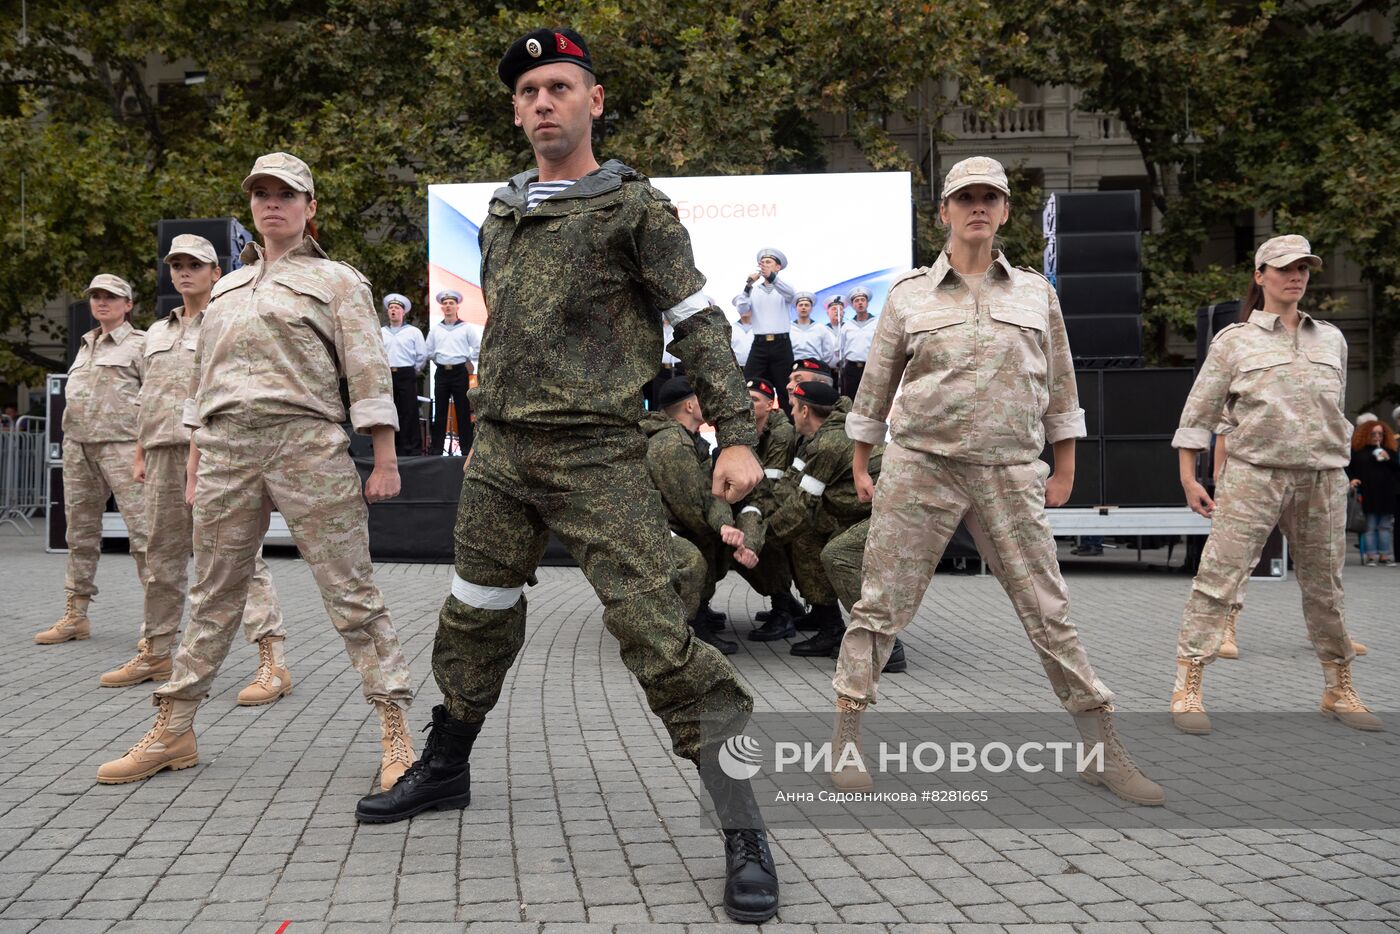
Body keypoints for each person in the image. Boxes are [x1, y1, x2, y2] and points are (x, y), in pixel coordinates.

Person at [353, 30, 778, 923]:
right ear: (515, 111)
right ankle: (448, 766)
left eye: (559, 86)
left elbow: (697, 324)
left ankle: (742, 822)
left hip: (597, 454)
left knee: (657, 635)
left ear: (593, 100)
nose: (542, 102)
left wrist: (736, 434)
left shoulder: (637, 209)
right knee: (476, 613)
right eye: (528, 91)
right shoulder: (504, 212)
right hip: (503, 454)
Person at [832, 156, 1163, 805]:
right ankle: (846, 737)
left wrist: (1065, 462)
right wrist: (859, 460)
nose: (978, 206)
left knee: (1049, 608)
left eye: (991, 196)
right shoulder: (908, 296)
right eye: (966, 197)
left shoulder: (1037, 293)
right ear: (945, 212)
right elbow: (875, 387)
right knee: (881, 603)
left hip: (1010, 468)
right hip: (922, 463)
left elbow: (1062, 382)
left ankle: (1102, 749)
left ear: (1006, 210)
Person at [96, 151, 417, 790]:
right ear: (251, 208)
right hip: (225, 453)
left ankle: (395, 725)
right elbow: (202, 385)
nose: (273, 204)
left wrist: (384, 458)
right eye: (262, 194)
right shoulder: (226, 290)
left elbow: (367, 371)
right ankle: (176, 726)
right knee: (212, 594)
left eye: (287, 195)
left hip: (307, 445)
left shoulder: (337, 282)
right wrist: (195, 464)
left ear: (310, 208)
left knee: (350, 592)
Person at [1170, 233, 1381, 735]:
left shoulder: (1331, 338)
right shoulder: (1234, 341)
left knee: (1325, 588)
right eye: (1285, 268)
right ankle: (1189, 685)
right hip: (1253, 475)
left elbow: (1334, 410)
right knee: (1217, 582)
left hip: (1322, 477)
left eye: (1304, 268)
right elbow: (1198, 413)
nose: (1296, 277)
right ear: (1260, 276)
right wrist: (1187, 476)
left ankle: (1338, 686)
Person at [101, 235, 292, 702]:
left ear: (214, 271)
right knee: (159, 556)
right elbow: (148, 398)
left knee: (236, 556)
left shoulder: (230, 319)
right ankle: (158, 649)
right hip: (162, 454)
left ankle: (272, 660)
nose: (184, 272)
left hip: (215, 451)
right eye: (177, 265)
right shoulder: (158, 332)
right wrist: (142, 452)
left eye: (195, 265)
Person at [35, 275, 151, 647]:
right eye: (96, 297)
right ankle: (76, 614)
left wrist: (145, 450)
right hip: (79, 447)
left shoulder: (141, 344)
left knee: (146, 535)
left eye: (111, 297)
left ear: (127, 304)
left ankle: (157, 622)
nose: (102, 302)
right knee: (79, 535)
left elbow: (154, 399)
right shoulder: (86, 345)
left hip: (123, 446)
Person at [766, 380, 907, 671]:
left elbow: (802, 504)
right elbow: (797, 489)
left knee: (837, 554)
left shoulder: (830, 441)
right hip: (863, 510)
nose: (791, 414)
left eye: (793, 408)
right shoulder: (823, 434)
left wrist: (761, 538)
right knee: (808, 537)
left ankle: (885, 644)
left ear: (805, 411)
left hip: (895, 511)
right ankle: (827, 622)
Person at [643, 377, 757, 656]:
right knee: (699, 551)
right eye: (702, 398)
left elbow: (707, 492)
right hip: (658, 528)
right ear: (691, 405)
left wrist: (723, 524)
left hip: (672, 522)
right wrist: (722, 529)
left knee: (713, 538)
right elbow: (692, 507)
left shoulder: (687, 438)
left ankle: (699, 610)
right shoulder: (673, 444)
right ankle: (689, 629)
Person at [734, 248, 796, 410]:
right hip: (760, 344)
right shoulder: (754, 290)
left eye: (769, 262)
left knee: (785, 388)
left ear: (778, 267)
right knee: (748, 384)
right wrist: (748, 285)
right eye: (762, 263)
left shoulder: (783, 289)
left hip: (781, 344)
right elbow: (741, 308)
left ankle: (789, 428)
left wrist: (772, 277)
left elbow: (792, 294)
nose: (765, 265)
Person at [425, 290, 478, 455]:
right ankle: (436, 450)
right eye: (445, 304)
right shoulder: (436, 330)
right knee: (439, 411)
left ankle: (466, 449)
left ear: (457, 306)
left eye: (451, 303)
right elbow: (428, 351)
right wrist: (439, 360)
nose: (448, 306)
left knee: (462, 411)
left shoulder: (466, 328)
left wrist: (467, 358)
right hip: (442, 372)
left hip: (459, 372)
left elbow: (477, 348)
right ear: (442, 308)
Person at [381, 292, 427, 456]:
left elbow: (421, 355)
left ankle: (412, 448)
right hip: (388, 374)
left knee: (409, 411)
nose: (393, 310)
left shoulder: (413, 332)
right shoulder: (381, 332)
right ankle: (391, 448)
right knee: (389, 411)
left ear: (403, 312)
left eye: (397, 308)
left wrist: (413, 370)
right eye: (391, 308)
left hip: (406, 372)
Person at [1347, 419, 1398, 566]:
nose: (1377, 437)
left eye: (1380, 434)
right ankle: (1371, 555)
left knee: (1386, 526)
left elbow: (1396, 470)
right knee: (1369, 525)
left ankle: (1384, 555)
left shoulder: (1389, 450)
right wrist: (1352, 479)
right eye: (1373, 433)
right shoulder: (1358, 451)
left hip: (1386, 493)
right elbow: (1348, 468)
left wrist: (1388, 459)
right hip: (1367, 492)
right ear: (1366, 434)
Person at [839, 286, 877, 398]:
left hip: (870, 367)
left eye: (862, 300)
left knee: (869, 399)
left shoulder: (876, 323)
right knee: (851, 399)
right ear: (853, 305)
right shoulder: (847, 326)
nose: (860, 303)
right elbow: (840, 349)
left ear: (867, 303)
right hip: (851, 369)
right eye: (856, 301)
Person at [790, 291, 839, 369]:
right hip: (794, 367)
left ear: (811, 308)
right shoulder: (789, 328)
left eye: (806, 305)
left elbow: (828, 352)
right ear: (796, 308)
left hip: (815, 367)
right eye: (800, 305)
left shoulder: (820, 328)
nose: (803, 307)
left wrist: (820, 364)